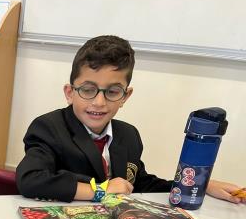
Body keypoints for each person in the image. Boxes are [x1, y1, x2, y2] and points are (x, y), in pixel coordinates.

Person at [16, 35, 244, 204]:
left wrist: (196, 186)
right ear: (69, 92)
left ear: (126, 96)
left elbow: (139, 184)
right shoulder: (48, 128)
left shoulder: (128, 135)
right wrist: (101, 190)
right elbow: (30, 180)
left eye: (113, 92)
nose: (99, 102)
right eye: (88, 90)